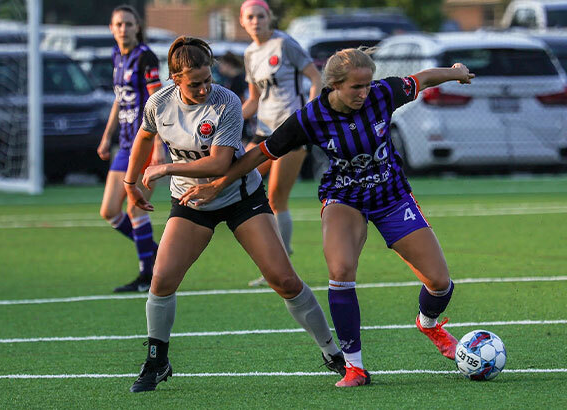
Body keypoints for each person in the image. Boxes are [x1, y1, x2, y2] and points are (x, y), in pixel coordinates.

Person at [179, 48, 475, 387]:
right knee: (341, 270)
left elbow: (421, 79)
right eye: (356, 88)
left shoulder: (383, 93)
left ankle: (429, 323)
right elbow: (263, 152)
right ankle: (355, 367)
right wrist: (218, 184)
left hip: (391, 195)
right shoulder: (310, 117)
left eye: (367, 85)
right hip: (344, 197)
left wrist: (456, 72)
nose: (364, 93)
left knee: (439, 284)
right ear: (334, 85)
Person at [123, 36, 345, 393]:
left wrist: (164, 171)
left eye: (207, 80)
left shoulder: (225, 101)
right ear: (175, 79)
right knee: (162, 279)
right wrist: (131, 180)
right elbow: (145, 138)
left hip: (240, 195)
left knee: (284, 280)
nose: (204, 88)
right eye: (194, 83)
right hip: (192, 202)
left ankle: (333, 352)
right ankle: (157, 359)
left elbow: (220, 162)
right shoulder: (159, 103)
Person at [239, 0, 323, 287]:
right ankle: (268, 250)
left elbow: (315, 77)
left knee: (276, 197)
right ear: (242, 21)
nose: (255, 21)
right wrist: (227, 118)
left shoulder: (285, 44)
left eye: (260, 16)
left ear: (268, 17)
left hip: (290, 132)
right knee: (236, 176)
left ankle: (280, 263)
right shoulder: (249, 53)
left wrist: (309, 113)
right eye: (249, 17)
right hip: (263, 131)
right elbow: (253, 99)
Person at [97, 5, 165, 293]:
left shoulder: (145, 57)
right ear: (112, 29)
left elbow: (157, 101)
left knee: (135, 210)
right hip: (124, 143)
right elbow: (119, 99)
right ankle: (158, 251)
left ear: (138, 27)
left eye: (128, 24)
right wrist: (106, 135)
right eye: (118, 24)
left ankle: (146, 275)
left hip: (145, 141)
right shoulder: (117, 56)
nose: (123, 29)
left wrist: (159, 144)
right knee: (110, 211)